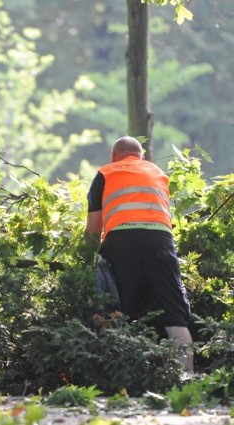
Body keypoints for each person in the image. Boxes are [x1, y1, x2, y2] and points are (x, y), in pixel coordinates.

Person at [85, 136, 194, 373]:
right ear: (141, 156)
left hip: (121, 243)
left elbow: (93, 229)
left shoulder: (106, 173)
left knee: (113, 310)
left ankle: (115, 377)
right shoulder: (158, 174)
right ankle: (187, 379)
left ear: (113, 156)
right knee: (174, 314)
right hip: (161, 242)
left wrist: (85, 262)